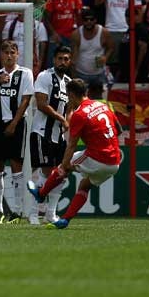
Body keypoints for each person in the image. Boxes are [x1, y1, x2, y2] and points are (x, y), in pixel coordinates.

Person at [29, 79, 121, 229]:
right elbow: (118, 128)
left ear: (71, 94)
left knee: (64, 165)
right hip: (114, 162)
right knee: (85, 185)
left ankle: (41, 193)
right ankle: (64, 220)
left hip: (98, 158)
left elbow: (71, 145)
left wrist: (65, 166)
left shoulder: (80, 114)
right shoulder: (102, 105)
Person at [0, 40, 34, 223]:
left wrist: (14, 124)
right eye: (5, 52)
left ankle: (18, 210)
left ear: (17, 54)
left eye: (12, 52)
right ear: (0, 55)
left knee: (16, 166)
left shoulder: (25, 73)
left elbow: (26, 100)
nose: (9, 55)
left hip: (18, 124)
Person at [29, 45, 72, 226]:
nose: (63, 62)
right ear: (54, 59)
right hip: (41, 132)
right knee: (44, 172)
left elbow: (70, 107)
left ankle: (50, 213)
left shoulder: (69, 82)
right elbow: (41, 103)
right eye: (60, 58)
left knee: (61, 174)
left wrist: (66, 121)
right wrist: (62, 119)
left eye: (66, 59)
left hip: (58, 136)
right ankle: (32, 213)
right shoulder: (45, 76)